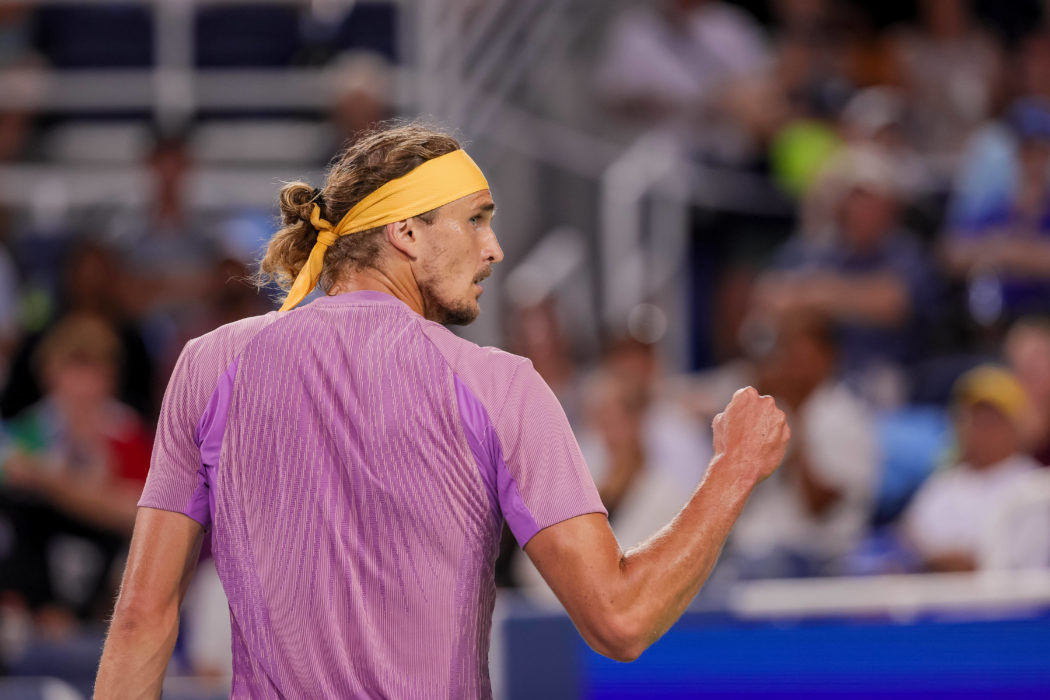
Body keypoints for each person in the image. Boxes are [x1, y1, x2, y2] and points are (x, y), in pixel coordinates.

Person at [94, 122, 789, 697]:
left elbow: (142, 621)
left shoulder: (210, 364)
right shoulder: (499, 385)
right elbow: (621, 619)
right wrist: (734, 469)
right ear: (406, 233)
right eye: (476, 220)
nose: (495, 248)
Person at [903, 365, 1048, 572]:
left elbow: (1017, 568)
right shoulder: (943, 483)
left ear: (1016, 427)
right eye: (973, 419)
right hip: (934, 598)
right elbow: (909, 544)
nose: (980, 430)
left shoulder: (1036, 486)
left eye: (992, 421)